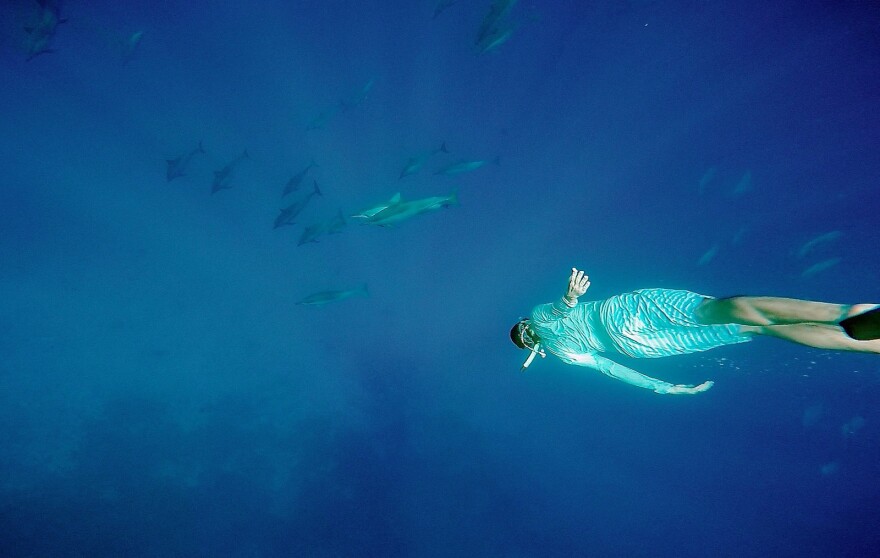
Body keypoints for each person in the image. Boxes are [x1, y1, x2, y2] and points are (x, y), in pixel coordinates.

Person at [510, 268, 880, 395]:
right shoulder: (550, 335)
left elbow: (608, 366)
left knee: (744, 322)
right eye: (526, 334)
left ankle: (859, 331)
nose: (529, 332)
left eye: (525, 332)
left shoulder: (550, 336)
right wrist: (662, 387)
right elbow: (607, 366)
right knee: (736, 316)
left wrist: (662, 387)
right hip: (634, 322)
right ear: (530, 338)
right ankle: (852, 318)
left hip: (639, 329)